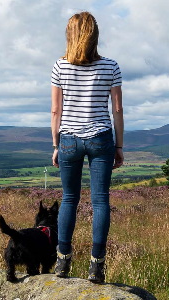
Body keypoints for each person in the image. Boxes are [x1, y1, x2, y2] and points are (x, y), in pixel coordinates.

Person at [50, 11, 124, 284]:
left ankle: (63, 260)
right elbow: (117, 109)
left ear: (70, 34)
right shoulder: (111, 67)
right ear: (94, 34)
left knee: (69, 199)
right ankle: (96, 266)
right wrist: (119, 145)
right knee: (100, 200)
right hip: (101, 137)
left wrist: (56, 145)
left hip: (68, 138)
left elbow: (56, 111)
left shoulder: (60, 66)